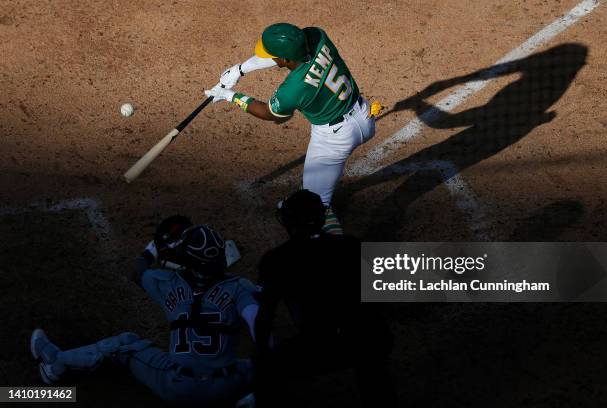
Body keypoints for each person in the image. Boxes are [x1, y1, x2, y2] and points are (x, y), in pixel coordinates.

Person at [30, 216, 258, 407]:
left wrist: (154, 248)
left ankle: (55, 365)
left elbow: (138, 270)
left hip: (180, 387)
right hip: (228, 386)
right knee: (274, 363)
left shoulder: (166, 281)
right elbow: (257, 319)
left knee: (125, 345)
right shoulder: (241, 287)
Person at [205, 23, 381, 234]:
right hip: (363, 113)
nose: (272, 59)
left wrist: (231, 96)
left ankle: (337, 253)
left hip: (334, 139)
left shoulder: (293, 90)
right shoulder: (317, 36)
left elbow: (270, 113)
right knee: (313, 194)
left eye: (275, 56)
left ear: (285, 60)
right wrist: (240, 69)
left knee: (313, 205)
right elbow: (287, 51)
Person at [252, 190, 397, 407]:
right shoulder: (352, 245)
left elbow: (265, 318)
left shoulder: (276, 260)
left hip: (322, 346)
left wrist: (262, 356)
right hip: (368, 337)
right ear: (321, 218)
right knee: (373, 359)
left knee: (270, 370)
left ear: (288, 222)